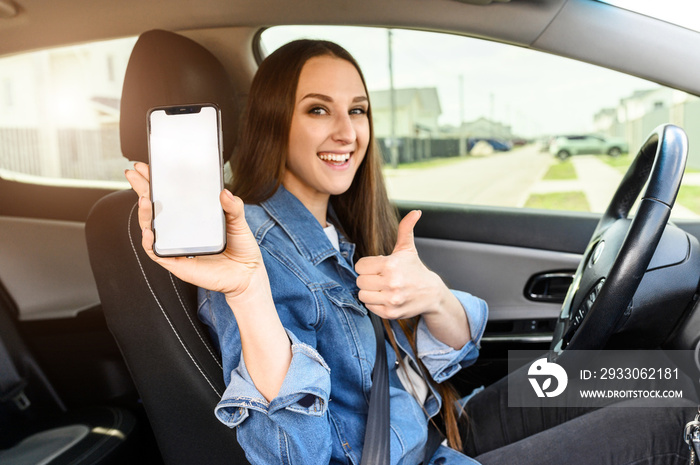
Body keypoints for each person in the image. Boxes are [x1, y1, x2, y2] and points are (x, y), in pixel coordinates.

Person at [126, 39, 695, 465]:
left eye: (359, 110)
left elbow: (453, 355)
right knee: (677, 420)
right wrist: (250, 295)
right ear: (275, 121)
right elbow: (294, 454)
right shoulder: (249, 242)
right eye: (318, 109)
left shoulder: (338, 229)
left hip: (434, 426)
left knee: (651, 376)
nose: (348, 131)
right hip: (406, 457)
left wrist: (432, 296)